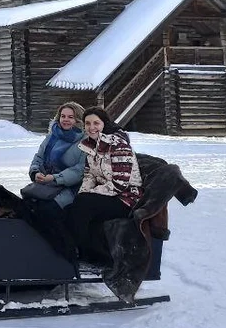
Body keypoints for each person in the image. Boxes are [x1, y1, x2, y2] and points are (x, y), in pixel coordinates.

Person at [66, 106, 143, 263]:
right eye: (88, 124)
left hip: (127, 198)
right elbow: (89, 175)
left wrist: (91, 194)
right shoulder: (90, 145)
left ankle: (74, 251)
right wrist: (84, 193)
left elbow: (120, 184)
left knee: (83, 205)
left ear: (104, 125)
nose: (91, 127)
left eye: (96, 123)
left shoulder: (118, 145)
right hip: (107, 195)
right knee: (75, 206)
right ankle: (93, 255)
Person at [23, 102, 86, 257]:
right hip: (46, 184)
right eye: (63, 116)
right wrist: (35, 172)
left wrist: (55, 178)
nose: (65, 120)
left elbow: (79, 170)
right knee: (26, 207)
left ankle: (66, 251)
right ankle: (38, 249)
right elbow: (38, 157)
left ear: (78, 119)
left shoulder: (84, 141)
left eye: (70, 117)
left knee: (48, 210)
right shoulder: (52, 136)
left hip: (69, 187)